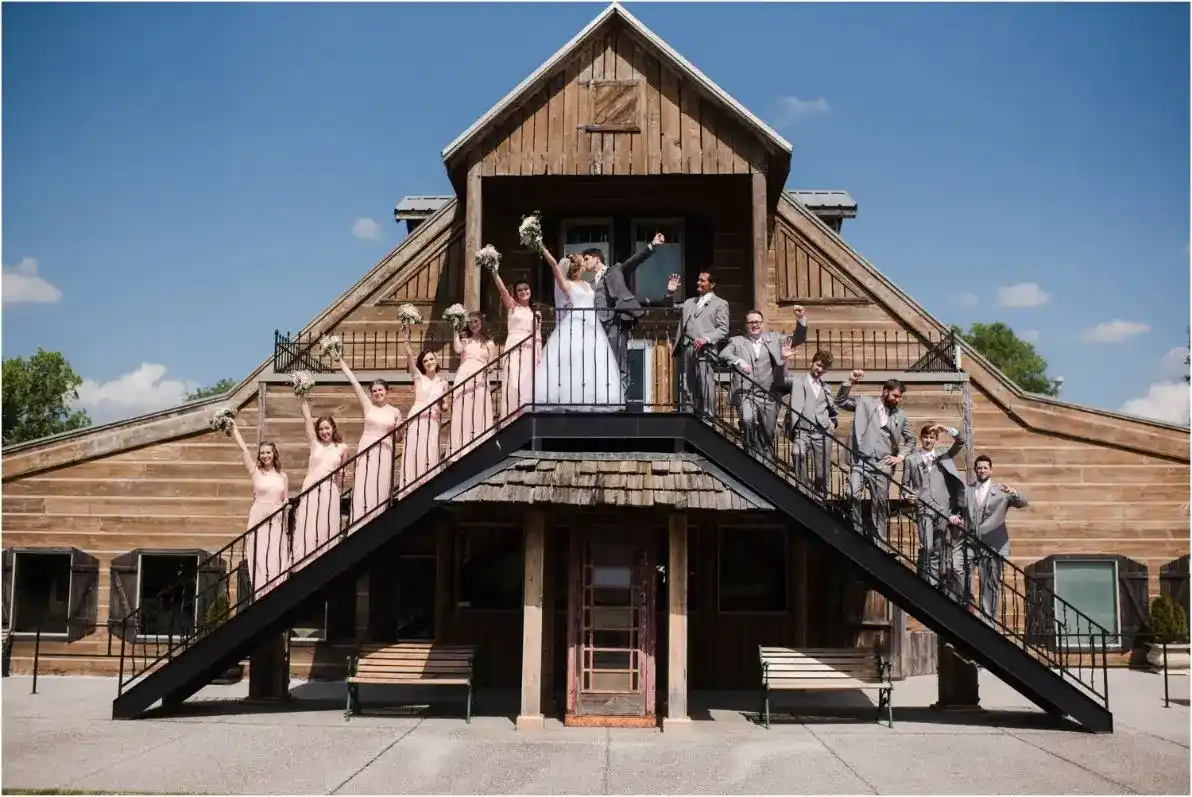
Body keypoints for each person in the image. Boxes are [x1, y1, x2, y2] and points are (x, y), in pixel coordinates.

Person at [532, 245, 624, 411]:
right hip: (575, 324)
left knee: (593, 362)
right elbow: (554, 265)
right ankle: (573, 400)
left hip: (592, 326)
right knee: (575, 361)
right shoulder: (567, 285)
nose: (585, 266)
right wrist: (542, 247)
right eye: (583, 263)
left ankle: (593, 398)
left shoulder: (588, 285)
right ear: (578, 267)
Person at [834, 372, 916, 548]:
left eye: (900, 397)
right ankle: (856, 530)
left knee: (880, 503)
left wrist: (899, 457)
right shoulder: (864, 402)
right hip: (861, 459)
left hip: (883, 464)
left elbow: (911, 440)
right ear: (885, 391)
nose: (897, 400)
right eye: (895, 395)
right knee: (851, 493)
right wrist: (850, 382)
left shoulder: (900, 416)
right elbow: (840, 402)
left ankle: (879, 542)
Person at [719, 307, 806, 456]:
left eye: (757, 322)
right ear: (746, 325)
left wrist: (801, 319)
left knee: (768, 432)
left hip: (769, 394)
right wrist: (739, 361)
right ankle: (750, 454)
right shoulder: (737, 341)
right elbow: (723, 354)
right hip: (746, 393)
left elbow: (798, 338)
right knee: (747, 420)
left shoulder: (775, 339)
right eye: (751, 322)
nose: (755, 325)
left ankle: (766, 460)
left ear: (763, 324)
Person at [587, 233, 664, 397]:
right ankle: (605, 396)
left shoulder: (615, 270)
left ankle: (621, 398)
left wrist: (651, 246)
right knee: (601, 361)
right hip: (598, 326)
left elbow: (632, 262)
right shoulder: (591, 283)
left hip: (615, 321)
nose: (584, 263)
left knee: (618, 360)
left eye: (586, 259)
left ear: (596, 258)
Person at [337, 357, 402, 530]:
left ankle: (376, 519)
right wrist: (342, 363)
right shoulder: (368, 406)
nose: (377, 393)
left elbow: (399, 437)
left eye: (380, 390)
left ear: (387, 391)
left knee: (380, 484)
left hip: (385, 451)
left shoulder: (395, 412)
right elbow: (354, 383)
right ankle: (359, 522)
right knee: (364, 483)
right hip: (367, 448)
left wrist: (400, 428)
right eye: (374, 391)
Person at [903, 422, 966, 596]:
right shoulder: (911, 459)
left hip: (942, 507)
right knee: (927, 546)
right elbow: (904, 485)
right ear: (921, 438)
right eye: (926, 437)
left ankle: (934, 583)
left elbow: (961, 441)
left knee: (938, 546)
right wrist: (907, 496)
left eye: (932, 437)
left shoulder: (943, 455)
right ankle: (924, 580)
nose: (928, 440)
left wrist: (946, 429)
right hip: (923, 506)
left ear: (936, 439)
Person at [964, 455, 1028, 624]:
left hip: (992, 544)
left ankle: (988, 622)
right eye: (979, 468)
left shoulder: (1001, 490)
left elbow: (1023, 502)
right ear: (975, 470)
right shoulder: (968, 490)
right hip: (970, 542)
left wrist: (1014, 492)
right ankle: (968, 610)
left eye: (985, 468)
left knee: (989, 584)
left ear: (991, 470)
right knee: (959, 572)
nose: (982, 470)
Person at [229, 422, 288, 599]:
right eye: (262, 453)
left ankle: (276, 590)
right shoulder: (255, 471)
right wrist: (234, 429)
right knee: (260, 556)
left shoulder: (282, 475)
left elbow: (285, 499)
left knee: (274, 555)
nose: (265, 456)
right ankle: (261, 593)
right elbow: (244, 451)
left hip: (276, 519)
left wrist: (286, 508)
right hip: (258, 517)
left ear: (274, 454)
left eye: (268, 452)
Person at [664, 271, 730, 418]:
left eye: (703, 281)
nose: (699, 283)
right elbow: (671, 310)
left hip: (705, 351)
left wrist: (706, 339)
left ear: (712, 284)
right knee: (687, 384)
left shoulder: (720, 303)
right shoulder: (689, 302)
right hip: (687, 347)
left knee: (705, 385)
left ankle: (708, 417)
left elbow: (723, 329)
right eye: (698, 280)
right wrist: (670, 292)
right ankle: (689, 415)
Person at [292, 399, 348, 570]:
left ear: (333, 428)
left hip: (330, 489)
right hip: (311, 487)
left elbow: (341, 474)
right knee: (308, 521)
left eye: (327, 428)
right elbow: (307, 420)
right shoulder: (314, 444)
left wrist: (337, 492)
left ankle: (324, 557)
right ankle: (303, 560)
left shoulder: (342, 448)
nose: (324, 431)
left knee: (325, 523)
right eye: (321, 429)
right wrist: (302, 398)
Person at [400, 325, 449, 493]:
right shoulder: (418, 377)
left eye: (431, 359)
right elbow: (409, 357)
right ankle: (411, 484)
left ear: (436, 360)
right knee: (415, 448)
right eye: (425, 360)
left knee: (429, 448)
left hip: (433, 419)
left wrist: (444, 406)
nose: (429, 362)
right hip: (417, 417)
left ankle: (428, 481)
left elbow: (445, 405)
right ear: (422, 364)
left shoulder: (443, 383)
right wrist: (407, 340)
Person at [487, 269, 541, 421]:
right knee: (513, 383)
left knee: (527, 384)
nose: (523, 292)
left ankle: (526, 415)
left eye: (526, 289)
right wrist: (494, 270)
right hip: (514, 348)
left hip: (530, 351)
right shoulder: (512, 307)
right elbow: (503, 290)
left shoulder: (536, 313)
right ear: (516, 293)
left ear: (530, 290)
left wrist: (539, 356)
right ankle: (512, 418)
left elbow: (538, 337)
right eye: (519, 290)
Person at [785, 348, 838, 494]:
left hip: (822, 432)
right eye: (818, 365)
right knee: (797, 453)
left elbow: (833, 408)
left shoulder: (826, 387)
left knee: (822, 472)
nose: (820, 369)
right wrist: (783, 361)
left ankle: (821, 497)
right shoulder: (797, 381)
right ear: (812, 363)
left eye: (824, 368)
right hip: (802, 430)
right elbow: (779, 381)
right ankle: (802, 490)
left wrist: (833, 420)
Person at [450, 312, 499, 457]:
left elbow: (493, 362)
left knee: (479, 408)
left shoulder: (489, 343)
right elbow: (458, 349)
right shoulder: (465, 340)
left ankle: (480, 443)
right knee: (462, 409)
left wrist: (488, 368)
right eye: (470, 322)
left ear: (481, 322)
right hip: (464, 375)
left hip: (480, 377)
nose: (473, 325)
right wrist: (455, 331)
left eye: (476, 321)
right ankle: (460, 446)